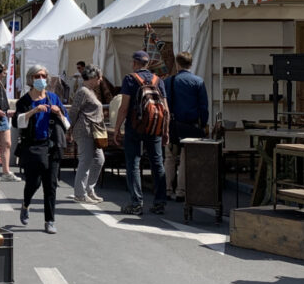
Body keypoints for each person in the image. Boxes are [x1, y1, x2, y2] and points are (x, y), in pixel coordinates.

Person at [15, 63, 69, 235]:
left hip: (52, 146)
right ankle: (25, 203)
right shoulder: (25, 100)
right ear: (31, 79)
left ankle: (50, 220)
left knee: (51, 185)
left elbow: (67, 124)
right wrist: (34, 110)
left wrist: (59, 113)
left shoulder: (53, 98)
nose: (40, 79)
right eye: (37, 76)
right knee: (34, 182)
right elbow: (18, 121)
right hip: (33, 146)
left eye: (43, 76)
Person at [113, 50, 169, 216]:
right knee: (157, 163)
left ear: (134, 63)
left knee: (134, 164)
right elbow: (165, 109)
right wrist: (165, 130)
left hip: (135, 126)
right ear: (148, 64)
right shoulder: (158, 80)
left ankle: (136, 203)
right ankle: (159, 203)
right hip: (155, 127)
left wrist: (117, 128)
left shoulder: (130, 79)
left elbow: (124, 107)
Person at [165, 51, 209, 200]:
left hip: (172, 124)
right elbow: (203, 106)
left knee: (170, 156)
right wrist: (204, 124)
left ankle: (167, 188)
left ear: (177, 64)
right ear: (191, 64)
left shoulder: (168, 82)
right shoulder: (198, 82)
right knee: (185, 157)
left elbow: (165, 106)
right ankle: (181, 191)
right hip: (191, 125)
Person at [69, 65, 107, 203]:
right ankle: (80, 193)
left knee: (99, 160)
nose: (100, 80)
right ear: (92, 78)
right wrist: (69, 129)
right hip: (84, 130)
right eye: (99, 77)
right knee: (86, 161)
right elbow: (73, 111)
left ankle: (89, 189)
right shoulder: (83, 91)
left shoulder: (89, 91)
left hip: (94, 131)